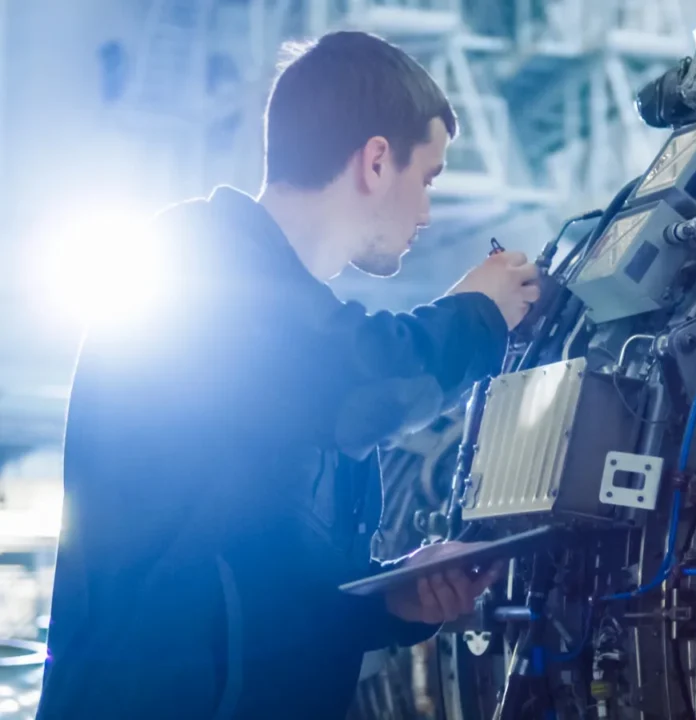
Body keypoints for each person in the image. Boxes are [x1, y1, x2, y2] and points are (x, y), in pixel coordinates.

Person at [36, 31, 540, 719]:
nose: (427, 212)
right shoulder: (196, 262)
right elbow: (358, 385)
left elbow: (268, 589)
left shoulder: (293, 340)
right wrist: (480, 313)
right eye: (427, 179)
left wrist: (393, 599)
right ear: (375, 160)